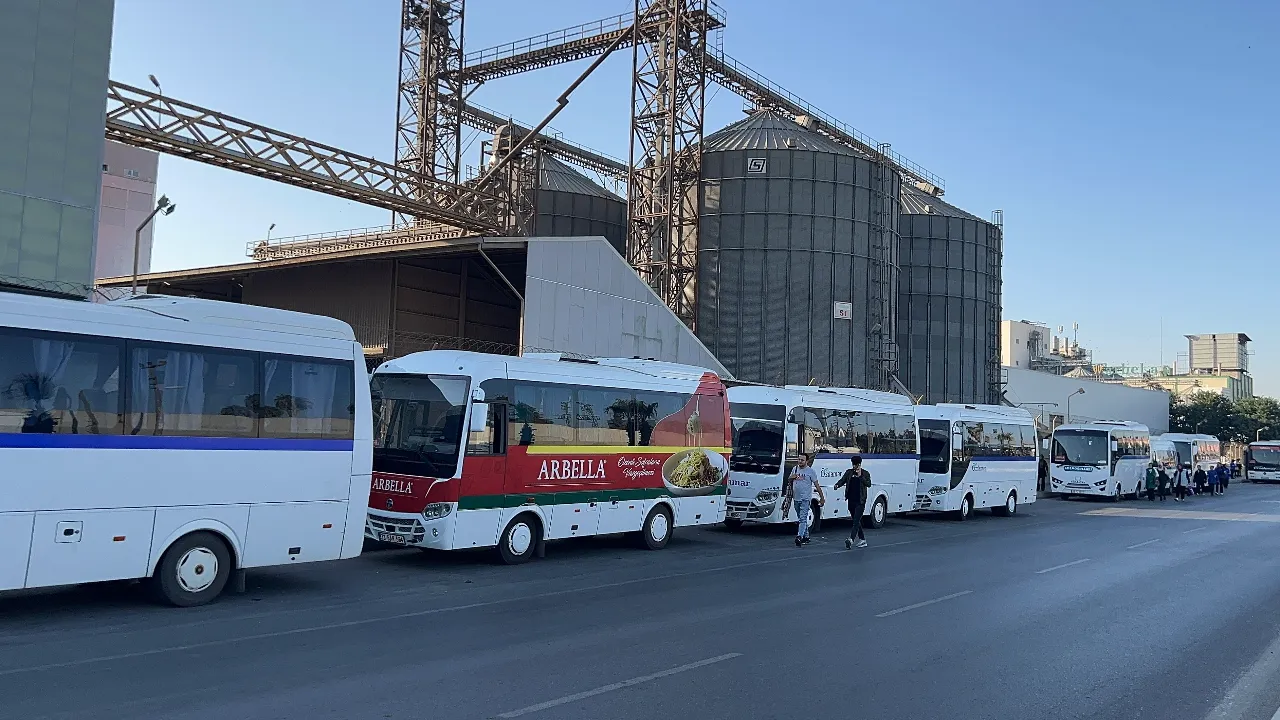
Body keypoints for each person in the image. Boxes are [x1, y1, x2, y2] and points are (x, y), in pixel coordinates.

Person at [835, 455, 873, 549]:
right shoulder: (849, 472)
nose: (855, 466)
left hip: (860, 501)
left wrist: (860, 477)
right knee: (856, 521)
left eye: (856, 465)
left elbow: (868, 484)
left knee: (856, 521)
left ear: (860, 464)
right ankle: (862, 539)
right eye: (853, 464)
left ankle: (851, 540)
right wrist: (837, 485)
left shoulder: (865, 473)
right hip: (851, 500)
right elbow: (843, 480)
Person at [788, 453, 824, 547]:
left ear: (807, 461)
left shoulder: (810, 471)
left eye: (802, 460)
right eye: (799, 459)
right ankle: (806, 537)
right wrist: (791, 477)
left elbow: (817, 485)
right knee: (801, 518)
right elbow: (789, 479)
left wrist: (822, 498)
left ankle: (799, 536)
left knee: (803, 518)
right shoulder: (795, 469)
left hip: (805, 499)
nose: (800, 461)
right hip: (796, 498)